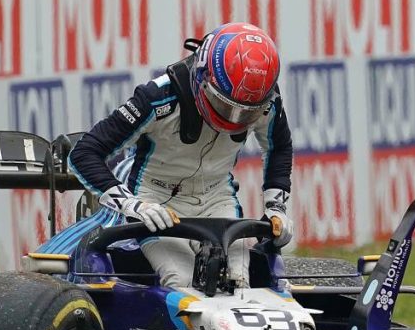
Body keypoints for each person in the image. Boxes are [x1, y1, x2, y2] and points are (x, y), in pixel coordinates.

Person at [63, 22, 294, 288]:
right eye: (227, 106)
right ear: (202, 77)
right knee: (181, 280)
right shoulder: (156, 97)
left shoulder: (268, 100)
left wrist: (276, 208)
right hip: (155, 198)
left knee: (239, 282)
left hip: (217, 196)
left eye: (248, 112)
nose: (236, 118)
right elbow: (85, 152)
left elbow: (279, 147)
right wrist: (132, 205)